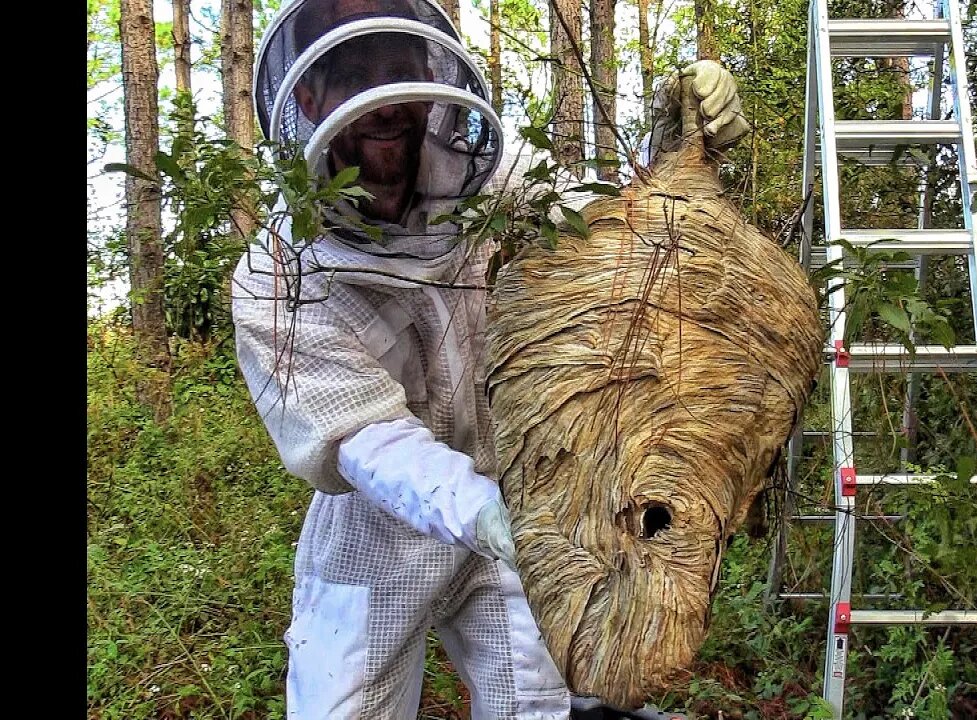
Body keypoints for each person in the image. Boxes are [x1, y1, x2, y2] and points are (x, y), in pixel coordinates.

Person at [231, 1, 749, 718]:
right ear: (307, 95)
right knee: (339, 706)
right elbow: (366, 439)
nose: (381, 97)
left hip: (518, 495)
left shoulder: (496, 183)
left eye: (396, 69)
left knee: (536, 703)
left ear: (430, 72)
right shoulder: (277, 280)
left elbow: (620, 237)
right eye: (353, 73)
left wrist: (678, 134)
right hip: (380, 532)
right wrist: (488, 513)